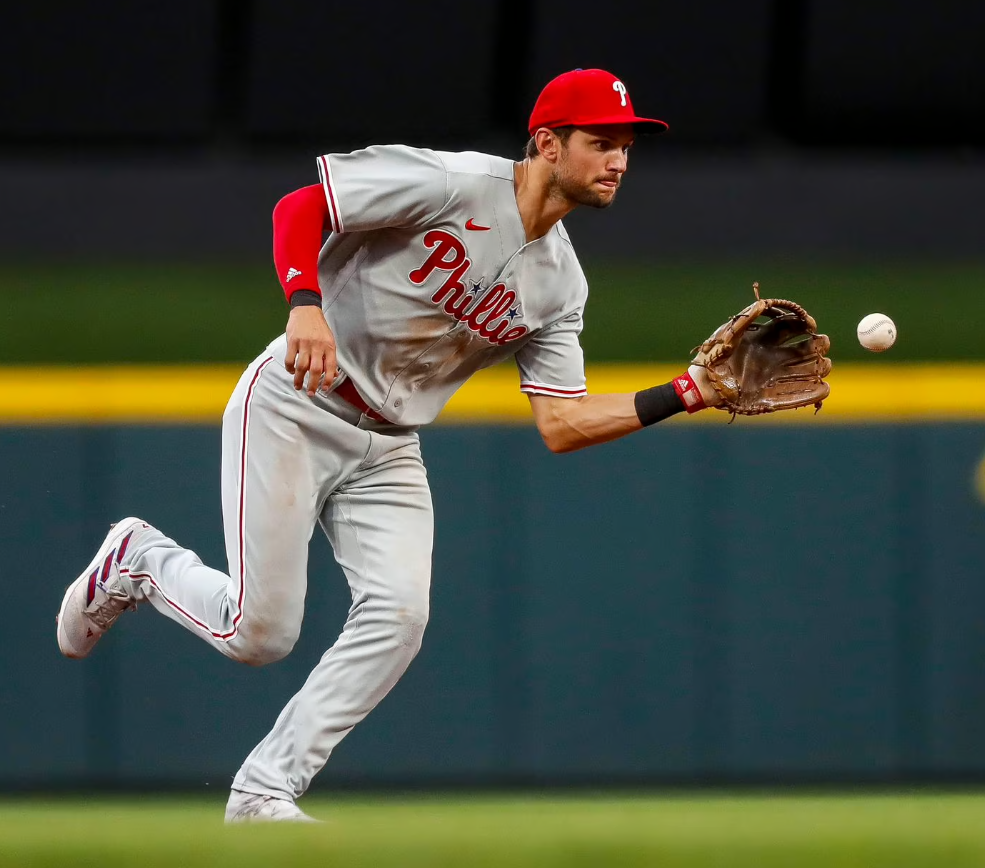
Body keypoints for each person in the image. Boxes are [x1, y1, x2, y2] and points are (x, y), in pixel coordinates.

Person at [55, 68, 727, 823]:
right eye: (600, 142)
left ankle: (264, 790)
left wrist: (688, 392)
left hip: (389, 445)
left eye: (626, 147)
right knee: (259, 636)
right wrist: (303, 303)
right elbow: (301, 205)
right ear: (546, 143)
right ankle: (139, 558)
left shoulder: (560, 284)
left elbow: (561, 424)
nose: (618, 161)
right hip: (296, 403)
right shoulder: (451, 182)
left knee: (400, 617)